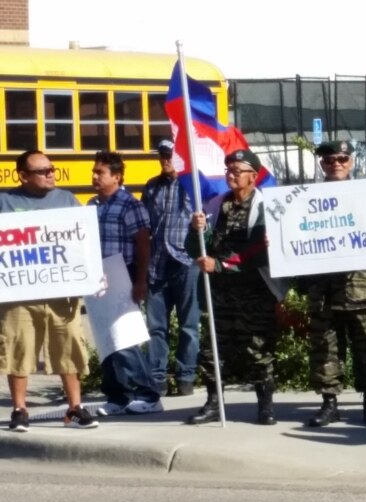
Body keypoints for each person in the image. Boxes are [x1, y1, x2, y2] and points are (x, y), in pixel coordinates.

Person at [302, 141, 366, 428]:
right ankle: (329, 405)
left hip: (364, 288)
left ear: (351, 162)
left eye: (342, 158)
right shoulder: (306, 200)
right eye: (330, 160)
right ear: (322, 164)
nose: (336, 164)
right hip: (323, 290)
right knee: (325, 351)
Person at [185, 149, 287, 425]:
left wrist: (219, 265)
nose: (231, 174)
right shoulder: (216, 205)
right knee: (213, 351)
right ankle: (213, 404)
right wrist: (197, 231)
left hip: (255, 291)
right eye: (228, 169)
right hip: (221, 294)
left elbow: (261, 252)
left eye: (237, 170)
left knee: (258, 351)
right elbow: (193, 248)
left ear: (253, 177)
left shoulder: (267, 208)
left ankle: (265, 407)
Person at [0, 150, 98, 431]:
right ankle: (20, 410)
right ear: (23, 176)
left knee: (69, 347)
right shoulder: (5, 202)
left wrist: (92, 274)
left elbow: (83, 240)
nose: (51, 174)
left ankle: (75, 409)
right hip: (18, 296)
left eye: (52, 169)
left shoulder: (67, 199)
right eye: (43, 171)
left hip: (61, 295)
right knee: (19, 350)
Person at [88, 151, 164, 416]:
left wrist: (140, 281)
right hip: (98, 277)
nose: (94, 176)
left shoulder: (130, 204)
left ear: (117, 176)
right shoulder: (92, 205)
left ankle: (148, 394)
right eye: (94, 171)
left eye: (100, 172)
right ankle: (117, 396)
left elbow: (143, 244)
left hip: (125, 274)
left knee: (125, 337)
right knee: (105, 337)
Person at [141, 140, 200, 397]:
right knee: (156, 327)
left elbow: (209, 217)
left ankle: (186, 376)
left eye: (170, 155)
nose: (165, 159)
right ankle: (157, 378)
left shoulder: (195, 184)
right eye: (163, 155)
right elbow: (144, 224)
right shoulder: (151, 187)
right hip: (157, 264)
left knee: (189, 325)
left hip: (187, 262)